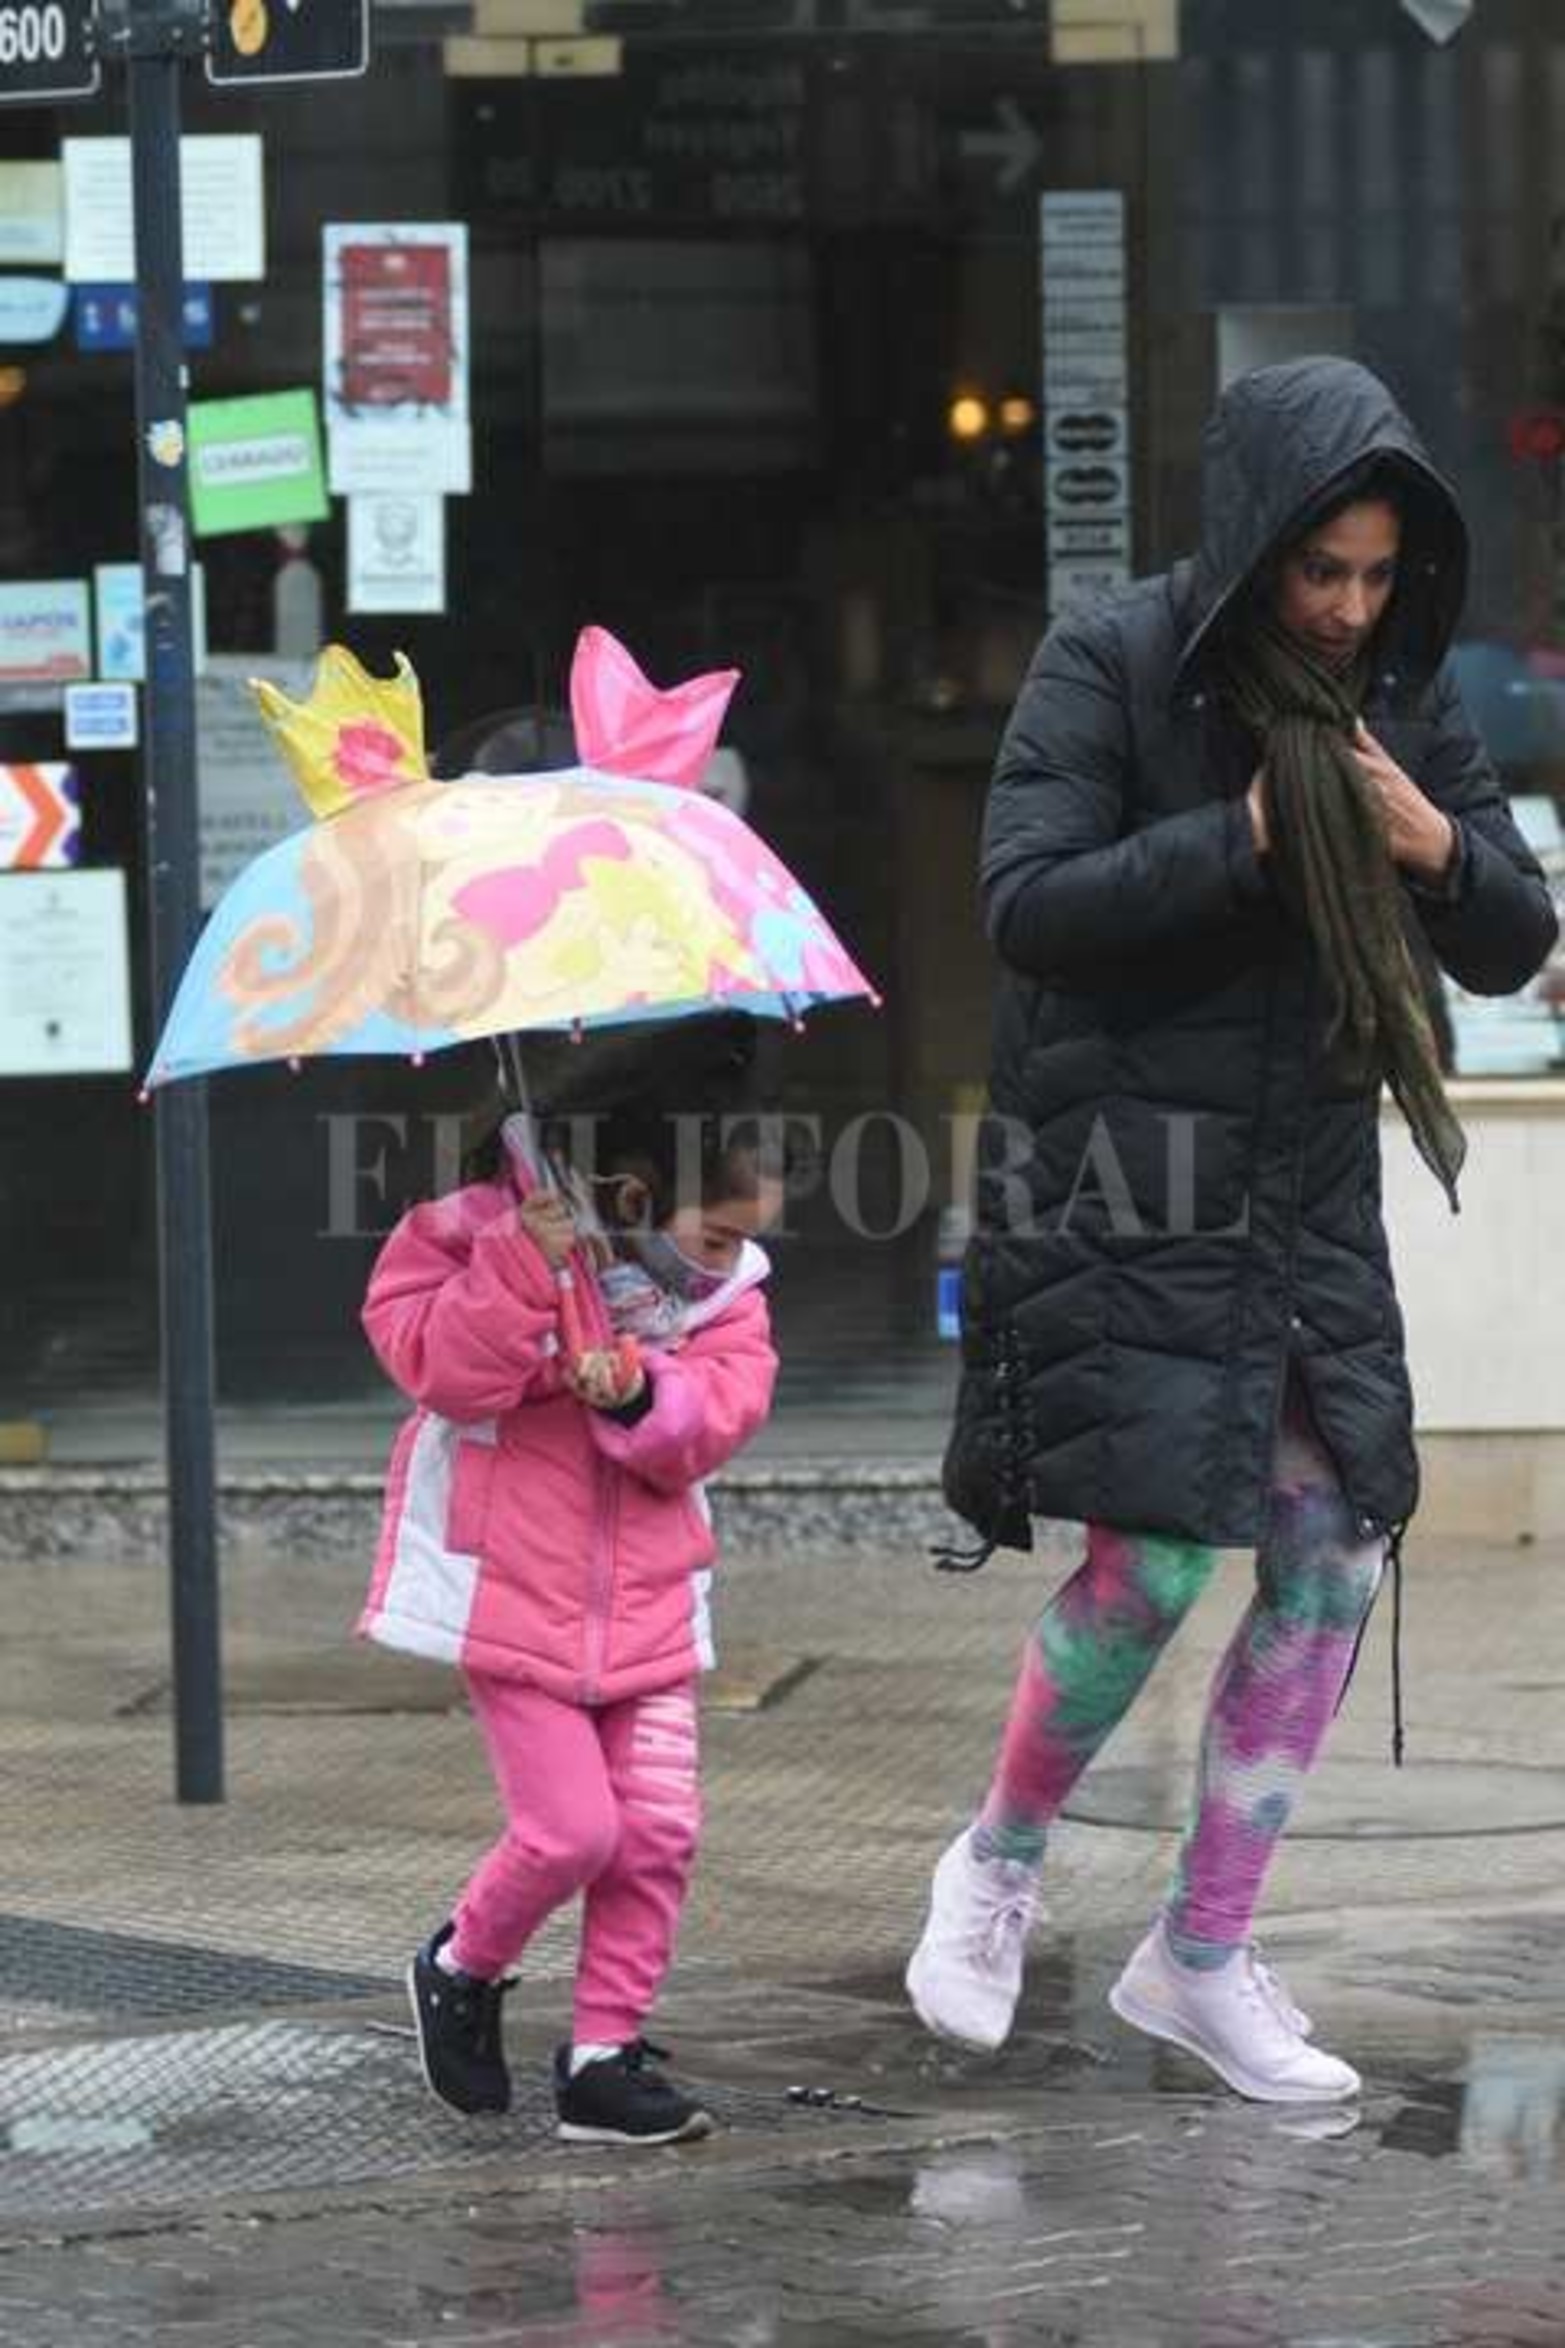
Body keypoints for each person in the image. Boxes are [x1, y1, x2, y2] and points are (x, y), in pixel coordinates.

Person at [909, 357, 1558, 2103]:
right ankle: (998, 1863)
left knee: (1336, 1552)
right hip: (1126, 1188)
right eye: (1318, 568)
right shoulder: (1114, 661)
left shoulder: (1407, 705)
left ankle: (1201, 1951)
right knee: (1155, 1562)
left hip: (1307, 1196)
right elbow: (1026, 903)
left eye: (1374, 574)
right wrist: (1247, 835)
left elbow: (1513, 932)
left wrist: (1429, 846)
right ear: (1259, 538)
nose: (1347, 607)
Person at [359, 1055, 783, 2145]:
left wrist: (645, 1388)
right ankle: (460, 1964)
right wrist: (513, 1267)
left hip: (648, 1598)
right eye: (717, 1234)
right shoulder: (475, 1230)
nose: (731, 1262)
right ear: (638, 1200)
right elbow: (441, 1374)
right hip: (512, 1590)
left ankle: (601, 2057)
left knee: (652, 1835)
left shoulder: (717, 1295)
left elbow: (726, 1408)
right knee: (568, 1831)